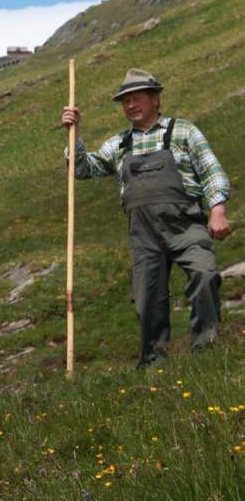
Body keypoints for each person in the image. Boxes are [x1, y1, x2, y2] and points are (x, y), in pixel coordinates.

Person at [61, 68, 231, 367]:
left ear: (155, 99)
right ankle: (154, 365)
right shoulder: (120, 144)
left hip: (186, 226)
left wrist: (217, 210)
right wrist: (75, 134)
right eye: (125, 101)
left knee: (204, 277)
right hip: (144, 236)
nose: (130, 106)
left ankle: (208, 353)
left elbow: (211, 171)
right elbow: (83, 168)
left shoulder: (184, 132)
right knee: (147, 301)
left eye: (137, 98)